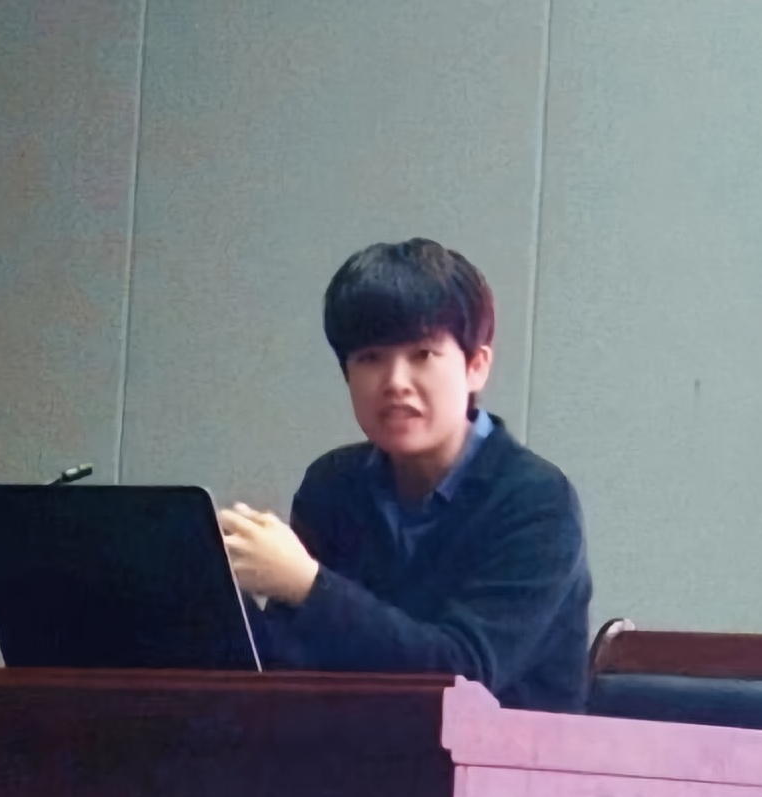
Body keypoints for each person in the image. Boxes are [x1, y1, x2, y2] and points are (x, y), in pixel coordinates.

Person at [217, 238, 592, 713]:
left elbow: (465, 675)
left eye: (423, 355)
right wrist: (221, 595)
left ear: (476, 367)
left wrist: (309, 585)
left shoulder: (536, 500)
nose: (395, 382)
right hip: (352, 747)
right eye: (370, 358)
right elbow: (293, 663)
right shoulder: (333, 485)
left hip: (507, 756)